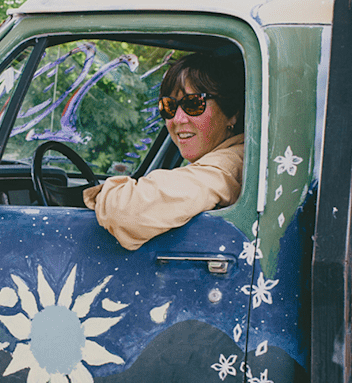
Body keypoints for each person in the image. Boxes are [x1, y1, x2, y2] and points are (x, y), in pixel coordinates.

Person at [83, 53, 245, 250]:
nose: (177, 119)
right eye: (168, 106)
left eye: (193, 103)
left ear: (233, 114)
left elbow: (126, 212)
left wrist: (101, 196)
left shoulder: (230, 164)